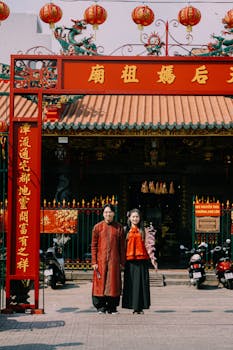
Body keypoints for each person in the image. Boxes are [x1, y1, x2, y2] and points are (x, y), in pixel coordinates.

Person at [122, 208, 157, 314]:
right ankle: (132, 306)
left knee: (141, 285)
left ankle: (140, 307)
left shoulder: (144, 231)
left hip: (142, 261)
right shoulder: (125, 231)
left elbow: (149, 246)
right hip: (129, 261)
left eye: (137, 216)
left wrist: (153, 259)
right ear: (129, 218)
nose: (135, 218)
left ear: (140, 218)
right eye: (133, 216)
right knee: (131, 284)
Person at [91, 203, 125, 314]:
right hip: (100, 261)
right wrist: (94, 262)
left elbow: (122, 247)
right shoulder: (97, 227)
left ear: (114, 213)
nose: (108, 214)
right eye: (106, 212)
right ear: (103, 214)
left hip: (114, 261)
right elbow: (94, 246)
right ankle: (100, 306)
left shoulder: (119, 228)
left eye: (110, 212)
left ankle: (112, 307)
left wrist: (122, 262)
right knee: (99, 283)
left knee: (113, 283)